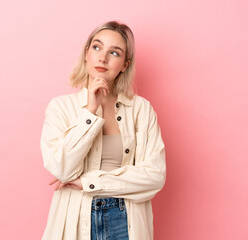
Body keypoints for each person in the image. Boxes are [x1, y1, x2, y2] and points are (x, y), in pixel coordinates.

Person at [40, 20, 166, 240]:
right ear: (86, 53)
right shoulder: (60, 107)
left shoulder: (141, 110)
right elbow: (61, 169)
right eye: (97, 47)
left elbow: (155, 176)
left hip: (125, 220)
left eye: (114, 53)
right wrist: (90, 112)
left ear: (124, 65)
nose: (103, 57)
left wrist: (89, 182)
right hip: (77, 220)